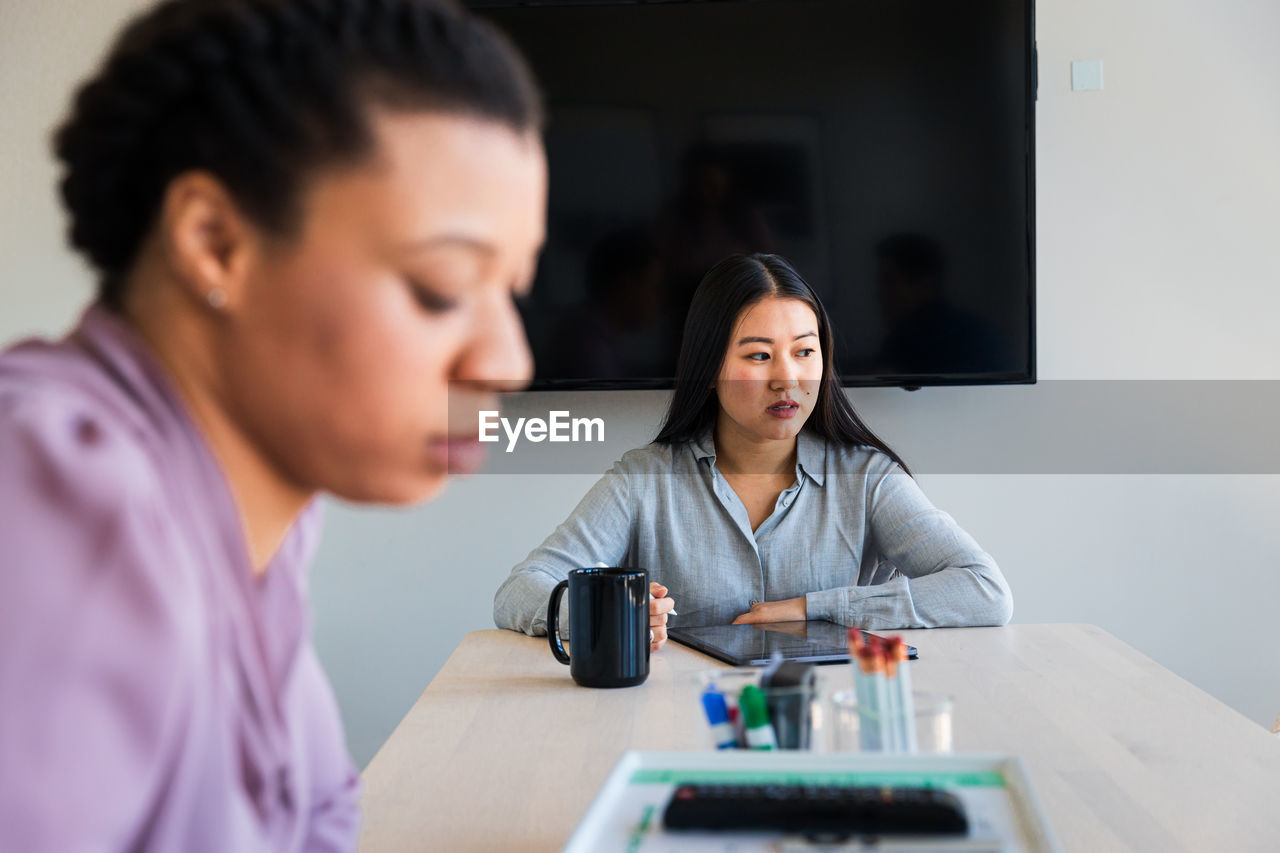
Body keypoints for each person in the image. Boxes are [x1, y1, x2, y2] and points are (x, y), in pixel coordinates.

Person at [0, 1, 545, 850]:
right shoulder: (55, 495)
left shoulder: (265, 525)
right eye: (442, 287)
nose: (508, 359)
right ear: (215, 242)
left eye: (513, 288)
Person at [494, 253, 1012, 648]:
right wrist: (602, 615)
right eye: (760, 356)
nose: (788, 378)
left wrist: (813, 609)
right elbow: (519, 590)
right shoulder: (645, 479)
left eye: (805, 352)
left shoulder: (868, 478)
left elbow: (985, 590)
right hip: (683, 723)